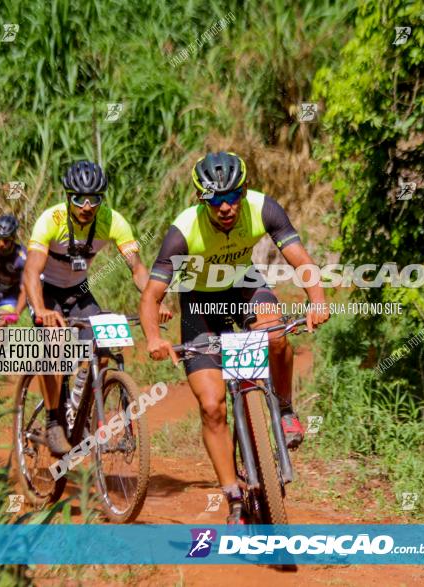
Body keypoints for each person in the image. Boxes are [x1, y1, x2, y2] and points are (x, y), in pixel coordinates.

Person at [139, 151, 330, 524]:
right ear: (202, 200)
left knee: (275, 333)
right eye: (216, 200)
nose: (226, 207)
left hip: (243, 285)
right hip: (198, 301)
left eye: (232, 197)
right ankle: (233, 497)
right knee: (211, 406)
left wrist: (317, 300)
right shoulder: (184, 231)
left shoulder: (263, 208)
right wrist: (151, 337)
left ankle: (286, 410)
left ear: (244, 191)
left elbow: (301, 261)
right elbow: (151, 296)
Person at [22, 160, 171, 456]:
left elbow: (138, 269)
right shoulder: (50, 220)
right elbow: (30, 272)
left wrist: (156, 299)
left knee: (104, 347)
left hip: (79, 293)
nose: (87, 206)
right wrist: (41, 310)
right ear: (68, 197)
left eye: (95, 199)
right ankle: (53, 423)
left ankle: (84, 407)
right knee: (53, 349)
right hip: (46, 291)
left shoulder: (113, 221)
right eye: (80, 199)